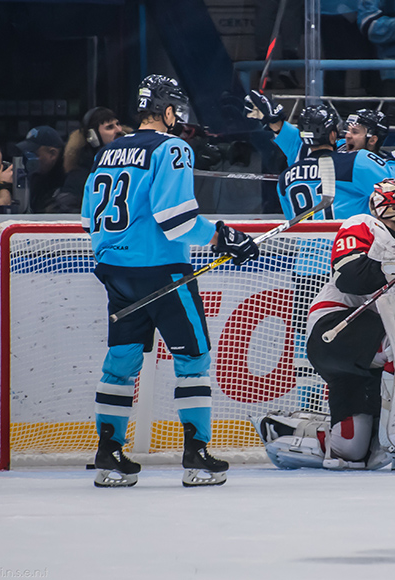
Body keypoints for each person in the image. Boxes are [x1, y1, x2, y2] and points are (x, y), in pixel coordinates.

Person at [82, 74, 261, 488]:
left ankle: (109, 458)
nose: (179, 120)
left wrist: (114, 259)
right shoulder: (173, 148)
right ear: (165, 111)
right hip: (163, 274)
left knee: (121, 364)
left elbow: (88, 217)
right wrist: (221, 237)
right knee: (193, 359)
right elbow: (176, 220)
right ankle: (196, 458)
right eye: (176, 111)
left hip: (116, 273)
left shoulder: (108, 151)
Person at [256, 178, 395, 470]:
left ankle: (289, 432)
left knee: (351, 450)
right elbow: (351, 277)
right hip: (336, 330)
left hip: (371, 344)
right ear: (387, 206)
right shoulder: (365, 224)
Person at [278, 105, 395, 220]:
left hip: (306, 248)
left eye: (354, 131)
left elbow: (292, 223)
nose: (347, 135)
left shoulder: (285, 177)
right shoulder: (357, 161)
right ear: (332, 135)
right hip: (348, 246)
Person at [52, 107, 124, 213]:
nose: (119, 130)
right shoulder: (79, 174)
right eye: (109, 127)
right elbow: (66, 208)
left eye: (118, 124)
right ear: (93, 137)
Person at [14, 125, 66, 213]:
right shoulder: (37, 177)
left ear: (52, 154)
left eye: (34, 154)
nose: (30, 160)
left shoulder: (69, 179)